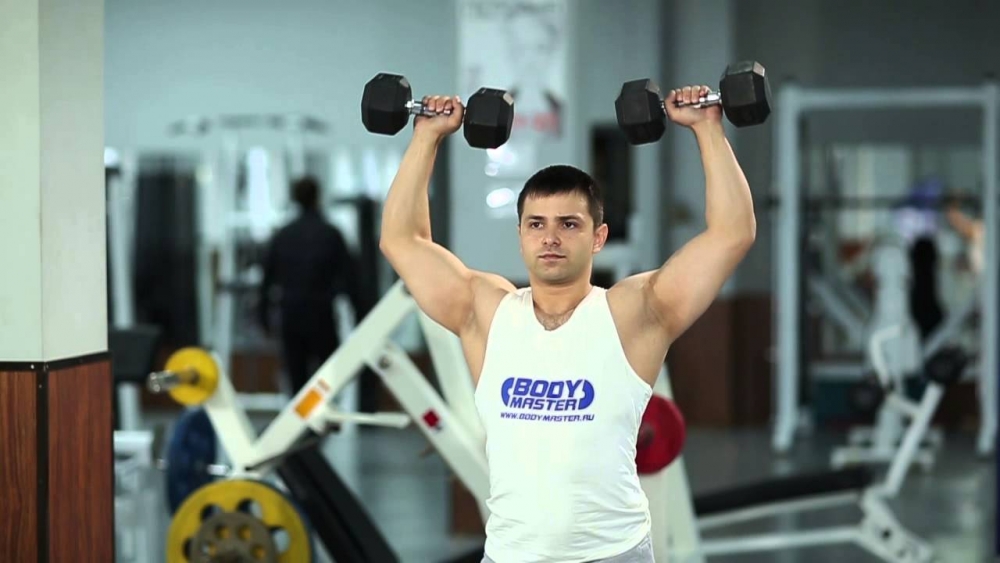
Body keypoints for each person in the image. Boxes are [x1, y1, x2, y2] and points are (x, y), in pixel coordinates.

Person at [379, 86, 755, 563]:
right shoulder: (486, 314)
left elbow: (731, 234)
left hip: (612, 554)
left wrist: (707, 128)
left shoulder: (634, 314)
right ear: (520, 235)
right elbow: (402, 241)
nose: (550, 238)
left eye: (569, 224)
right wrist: (426, 137)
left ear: (599, 237)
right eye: (536, 224)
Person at [258, 176, 361, 394]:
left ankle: (302, 414)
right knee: (327, 376)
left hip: (291, 314)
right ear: (317, 197)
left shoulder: (283, 235)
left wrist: (263, 318)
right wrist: (359, 314)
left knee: (297, 377)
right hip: (321, 313)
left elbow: (266, 281)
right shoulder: (330, 234)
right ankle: (322, 410)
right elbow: (350, 279)